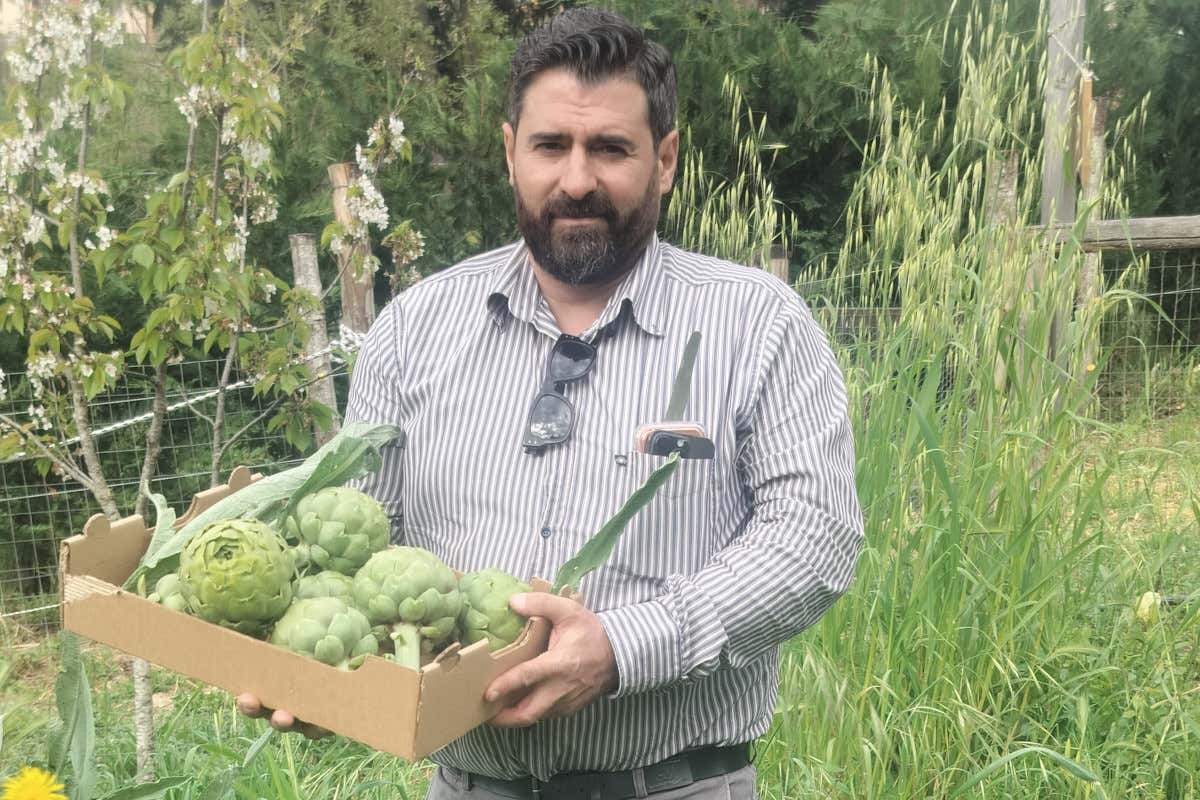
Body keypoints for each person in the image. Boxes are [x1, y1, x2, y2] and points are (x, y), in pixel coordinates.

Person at [239, 7, 863, 798]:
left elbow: (815, 537)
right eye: (549, 146)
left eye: (610, 148)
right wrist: (315, 664)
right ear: (509, 153)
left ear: (665, 159)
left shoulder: (758, 325)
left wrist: (626, 647)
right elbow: (357, 552)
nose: (576, 180)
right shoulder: (414, 329)